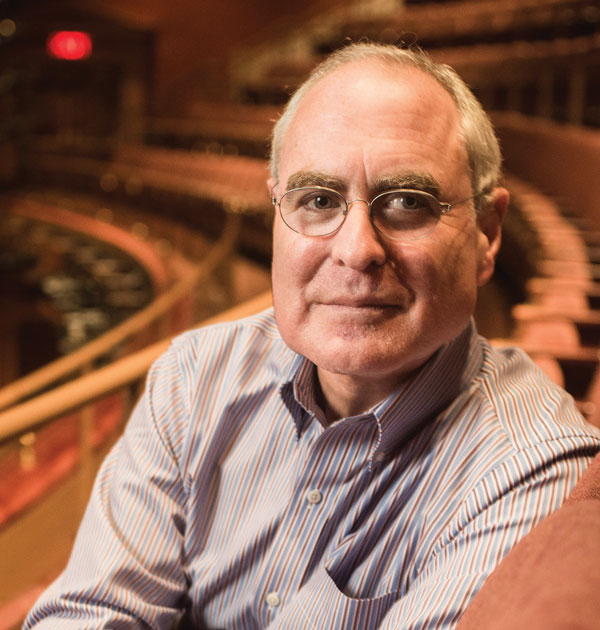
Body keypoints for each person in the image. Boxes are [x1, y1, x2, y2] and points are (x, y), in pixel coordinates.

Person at [25, 43, 600, 630]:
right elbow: (93, 614)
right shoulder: (195, 375)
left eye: (407, 203)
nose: (355, 251)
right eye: (318, 200)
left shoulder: (527, 473)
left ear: (487, 232)